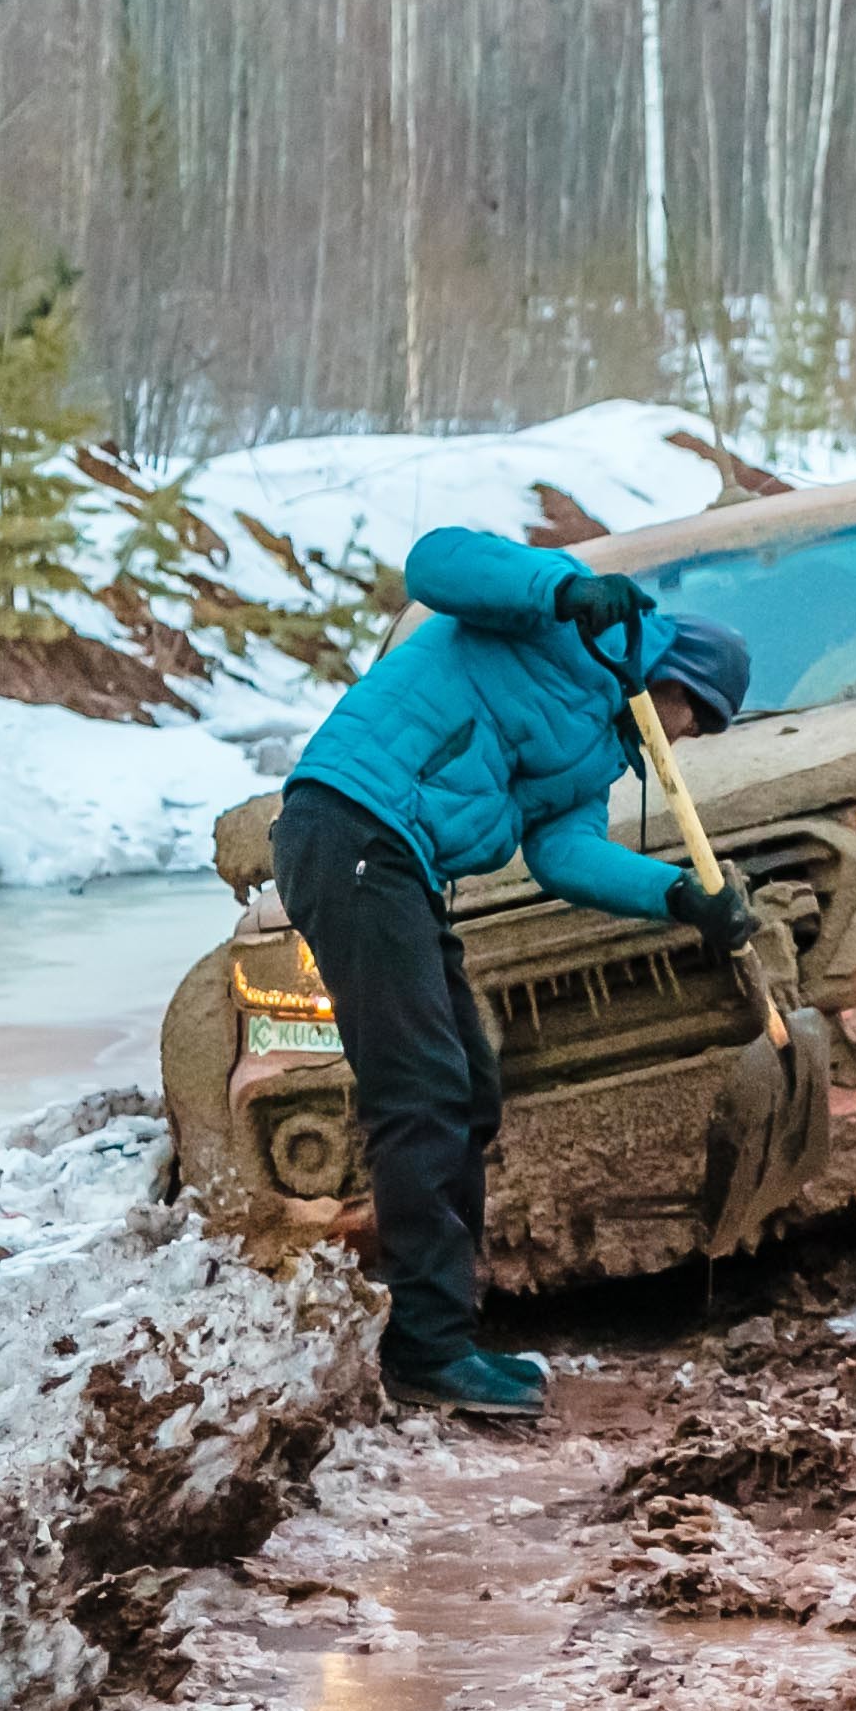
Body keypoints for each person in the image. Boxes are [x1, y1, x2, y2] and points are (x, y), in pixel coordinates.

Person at [272, 524, 757, 1418]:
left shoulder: (599, 752)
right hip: (349, 824)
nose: (682, 745)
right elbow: (432, 563)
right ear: (683, 684)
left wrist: (679, 897)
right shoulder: (568, 619)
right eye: (699, 723)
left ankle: (447, 1327)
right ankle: (427, 1352)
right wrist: (559, 591)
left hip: (401, 868)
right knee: (419, 1092)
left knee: (470, 1088)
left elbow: (564, 855)